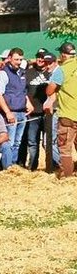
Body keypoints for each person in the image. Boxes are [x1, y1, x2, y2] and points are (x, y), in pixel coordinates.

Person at [0, 47, 34, 169]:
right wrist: (8, 112)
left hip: (22, 112)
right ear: (9, 58)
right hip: (11, 112)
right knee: (9, 142)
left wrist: (28, 103)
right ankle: (7, 167)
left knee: (18, 142)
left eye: (21, 59)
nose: (19, 62)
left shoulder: (22, 72)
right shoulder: (3, 73)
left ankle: (14, 166)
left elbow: (23, 91)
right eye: (16, 59)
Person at [50, 41, 77, 178]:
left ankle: (68, 177)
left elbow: (50, 90)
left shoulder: (61, 70)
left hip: (68, 115)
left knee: (65, 148)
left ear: (63, 54)